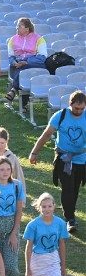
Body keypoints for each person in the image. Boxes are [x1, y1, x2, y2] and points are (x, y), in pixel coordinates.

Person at [29, 90, 85, 233]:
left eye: (81, 108)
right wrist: (34, 152)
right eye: (76, 108)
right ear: (70, 104)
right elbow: (47, 134)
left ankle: (70, 214)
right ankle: (70, 219)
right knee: (67, 187)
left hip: (81, 159)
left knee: (75, 188)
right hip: (63, 158)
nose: (78, 111)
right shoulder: (60, 116)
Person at [5, 17, 47, 105]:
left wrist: (26, 62)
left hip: (33, 64)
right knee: (22, 71)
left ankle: (14, 89)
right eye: (17, 26)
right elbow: (11, 56)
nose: (17, 28)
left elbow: (42, 58)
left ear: (27, 29)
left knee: (25, 70)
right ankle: (23, 105)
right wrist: (14, 62)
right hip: (17, 65)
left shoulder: (39, 39)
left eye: (20, 26)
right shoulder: (12, 40)